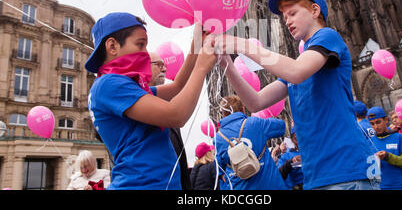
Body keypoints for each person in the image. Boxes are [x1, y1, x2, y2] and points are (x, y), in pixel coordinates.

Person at [215, 0, 376, 190]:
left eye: (292, 13)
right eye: (284, 17)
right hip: (316, 176)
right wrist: (227, 65)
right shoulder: (297, 67)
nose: (287, 21)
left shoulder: (327, 37)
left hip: (347, 169)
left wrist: (243, 44)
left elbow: (297, 71)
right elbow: (254, 102)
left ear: (315, 11)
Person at [85, 12, 216, 190]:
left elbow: (176, 87)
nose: (145, 53)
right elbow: (176, 115)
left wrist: (196, 46)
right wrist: (201, 67)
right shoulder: (109, 84)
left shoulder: (122, 84)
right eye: (140, 44)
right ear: (112, 46)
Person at [215, 95, 288, 190]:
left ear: (223, 114)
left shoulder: (218, 137)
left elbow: (219, 170)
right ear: (243, 109)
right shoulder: (255, 123)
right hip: (268, 184)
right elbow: (281, 127)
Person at [149, 52, 192, 190]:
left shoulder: (167, 103)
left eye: (165, 65)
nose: (165, 69)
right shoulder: (136, 104)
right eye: (159, 65)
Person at [367, 107, 402, 190]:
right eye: (372, 124)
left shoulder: (399, 137)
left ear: (385, 120)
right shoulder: (369, 142)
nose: (376, 127)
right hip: (382, 187)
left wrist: (388, 157)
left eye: (378, 122)